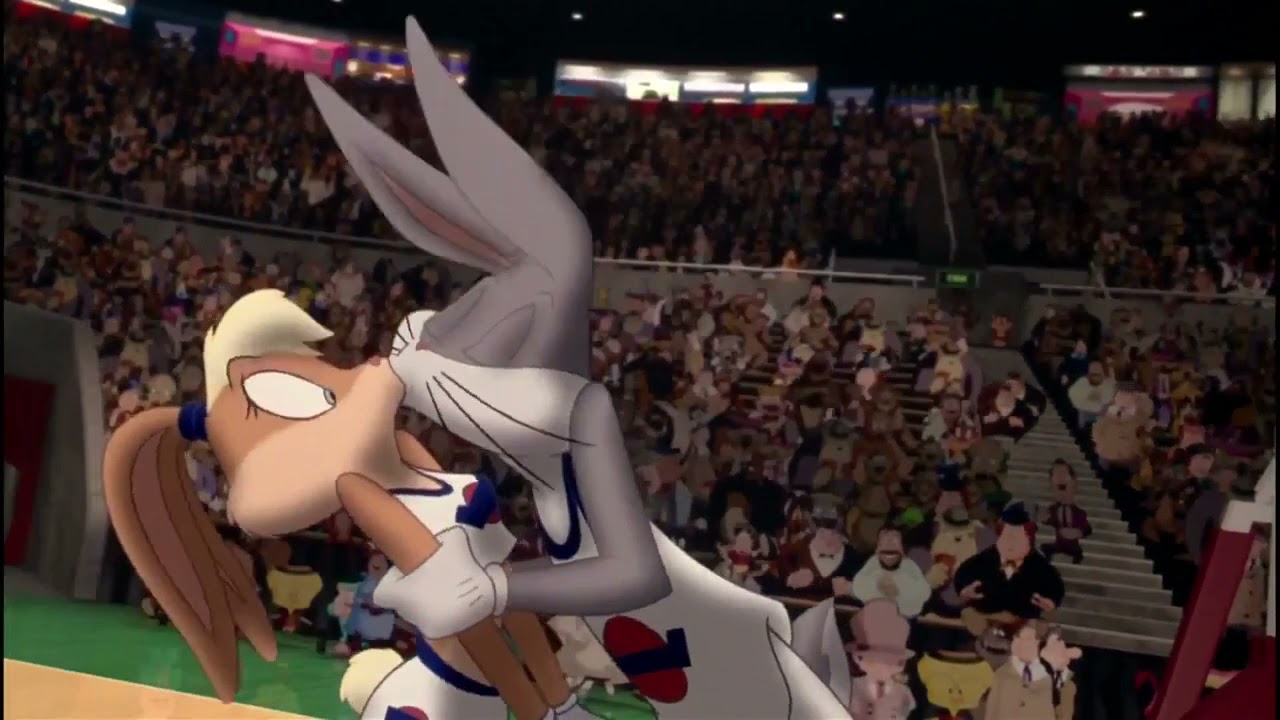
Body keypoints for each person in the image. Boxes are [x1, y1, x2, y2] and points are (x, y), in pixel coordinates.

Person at [952, 503, 1065, 636]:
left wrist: (1051, 601)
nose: (1010, 544)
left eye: (1017, 538)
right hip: (986, 614)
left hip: (1022, 619)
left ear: (1029, 540)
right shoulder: (984, 559)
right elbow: (963, 574)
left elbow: (1055, 586)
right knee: (971, 616)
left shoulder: (1039, 565)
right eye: (1006, 537)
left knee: (1036, 628)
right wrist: (964, 590)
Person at [850, 527, 930, 617]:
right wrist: (878, 587)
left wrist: (897, 591)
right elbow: (858, 586)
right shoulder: (873, 563)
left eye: (894, 543)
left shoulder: (910, 567)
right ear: (877, 549)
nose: (889, 546)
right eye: (884, 543)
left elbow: (922, 594)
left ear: (903, 550)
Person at [1038, 461, 1092, 564]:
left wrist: (1078, 532)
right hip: (1059, 544)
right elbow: (1049, 520)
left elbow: (1086, 527)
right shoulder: (1053, 510)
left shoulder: (1079, 512)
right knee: (1045, 548)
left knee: (1077, 552)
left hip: (1073, 546)